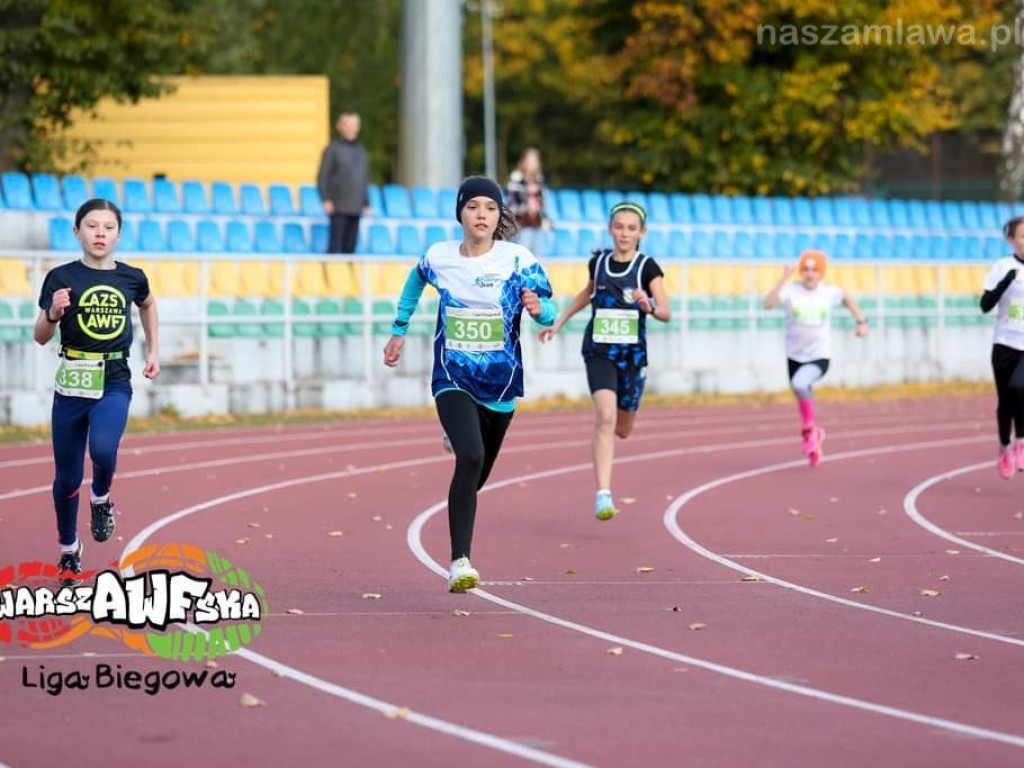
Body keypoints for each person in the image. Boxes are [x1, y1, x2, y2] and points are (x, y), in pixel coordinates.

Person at [383, 176, 556, 592]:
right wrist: (398, 328)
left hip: (500, 385)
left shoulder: (518, 260)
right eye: (474, 206)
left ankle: (460, 464)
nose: (482, 214)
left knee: (475, 475)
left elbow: (549, 311)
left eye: (491, 208)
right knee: (472, 456)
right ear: (460, 212)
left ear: (499, 216)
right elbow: (415, 280)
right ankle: (460, 561)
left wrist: (539, 309)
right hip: (452, 375)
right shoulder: (439, 256)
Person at [34, 199, 160, 587]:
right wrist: (53, 314)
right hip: (71, 382)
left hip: (114, 378)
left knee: (104, 449)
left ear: (118, 234)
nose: (100, 233)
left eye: (108, 227)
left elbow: (148, 304)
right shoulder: (59, 277)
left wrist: (154, 349)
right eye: (92, 226)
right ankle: (69, 549)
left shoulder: (132, 277)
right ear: (77, 232)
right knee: (66, 476)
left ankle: (101, 498)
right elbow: (40, 337)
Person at [539, 202, 670, 521]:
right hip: (599, 350)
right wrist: (559, 321)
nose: (624, 233)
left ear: (642, 232)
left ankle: (618, 439)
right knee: (605, 414)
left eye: (631, 228)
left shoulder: (647, 268)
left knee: (623, 428)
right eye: (619, 227)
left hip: (631, 356)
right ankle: (603, 493)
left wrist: (648, 305)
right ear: (610, 229)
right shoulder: (598, 262)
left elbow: (666, 312)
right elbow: (588, 293)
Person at [763, 249, 868, 467]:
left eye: (814, 270)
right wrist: (784, 277)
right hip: (794, 354)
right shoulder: (791, 290)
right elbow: (768, 304)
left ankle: (810, 429)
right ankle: (813, 437)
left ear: (821, 273)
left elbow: (847, 299)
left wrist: (861, 320)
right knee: (801, 390)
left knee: (800, 384)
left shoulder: (828, 292)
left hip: (819, 356)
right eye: (806, 270)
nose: (810, 274)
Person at [980, 216, 1024, 479]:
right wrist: (1006, 281)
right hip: (1004, 343)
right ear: (1012, 239)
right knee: (1005, 401)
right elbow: (985, 305)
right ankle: (1003, 447)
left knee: (1021, 387)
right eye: (1023, 236)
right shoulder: (1002, 267)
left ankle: (1021, 441)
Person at [316, 111, 370, 254]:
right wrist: (326, 199)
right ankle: (330, 275)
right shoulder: (332, 149)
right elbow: (322, 176)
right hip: (338, 206)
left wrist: (366, 202)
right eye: (348, 124)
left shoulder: (361, 150)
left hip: (356, 206)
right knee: (335, 247)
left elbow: (364, 178)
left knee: (351, 247)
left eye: (354, 125)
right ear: (340, 126)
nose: (351, 128)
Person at [506, 147, 548, 256]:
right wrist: (528, 208)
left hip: (536, 224)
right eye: (530, 160)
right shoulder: (516, 177)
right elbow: (512, 202)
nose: (532, 163)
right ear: (523, 161)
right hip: (520, 225)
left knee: (536, 260)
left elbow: (543, 201)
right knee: (522, 258)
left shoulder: (539, 179)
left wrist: (541, 214)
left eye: (535, 160)